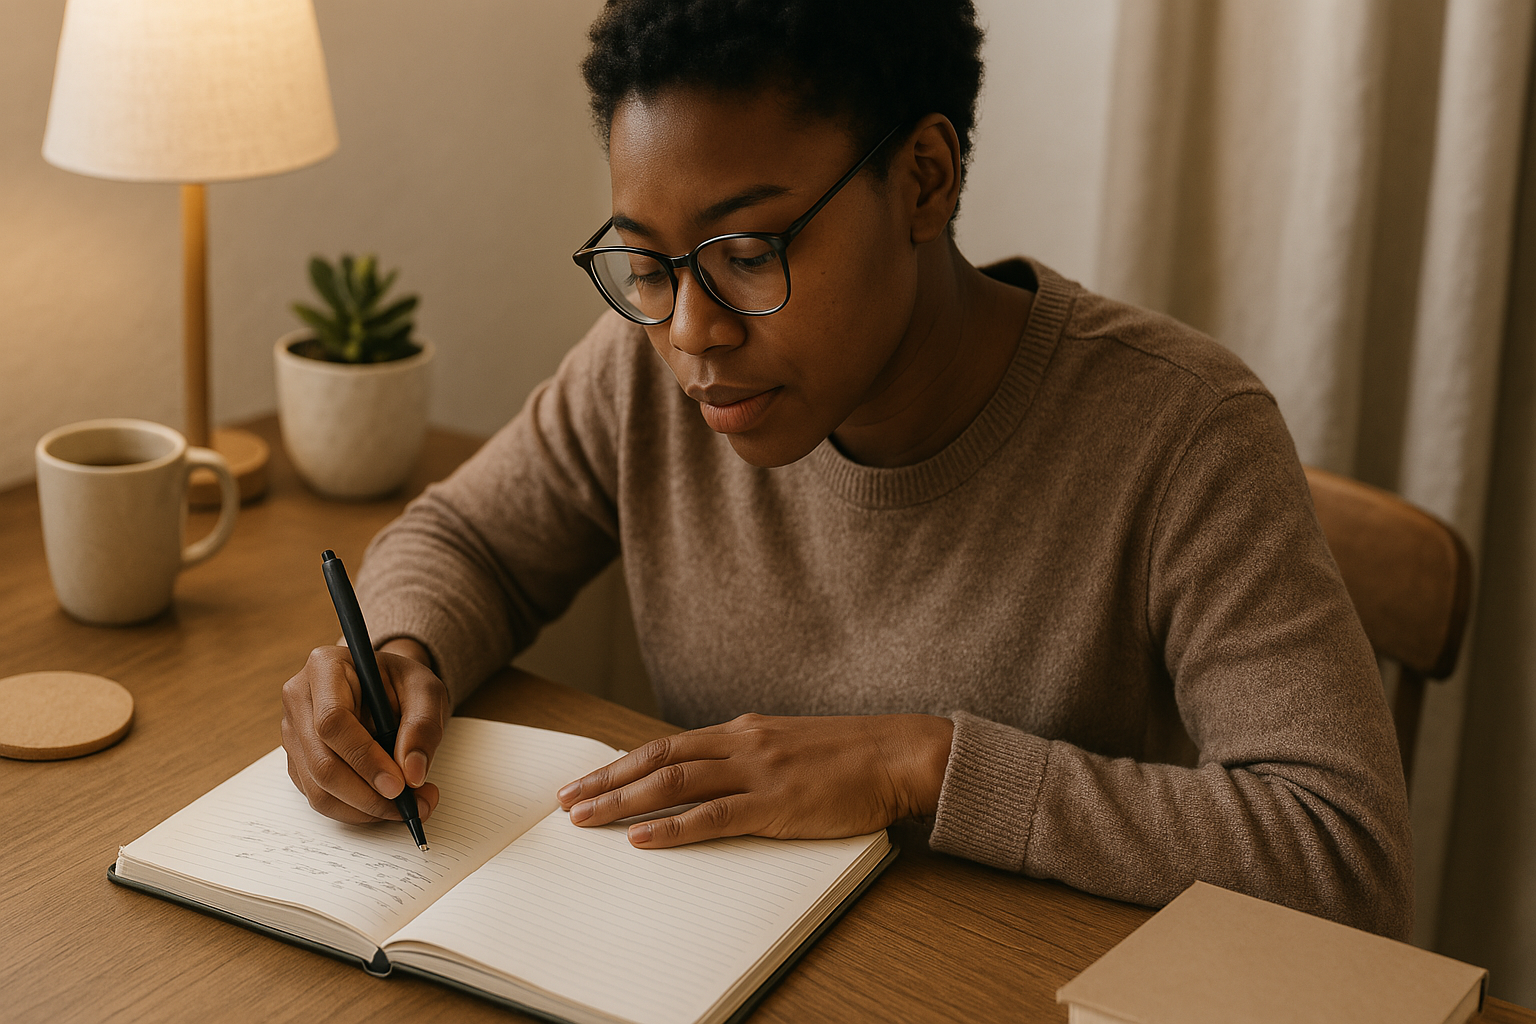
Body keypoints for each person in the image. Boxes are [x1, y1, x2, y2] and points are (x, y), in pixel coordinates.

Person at [280, 0, 1414, 939]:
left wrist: (919, 762)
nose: (692, 333)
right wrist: (400, 652)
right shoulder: (646, 370)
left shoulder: (1181, 430)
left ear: (924, 180)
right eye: (649, 265)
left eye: (746, 252)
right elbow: (466, 539)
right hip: (709, 963)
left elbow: (1343, 851)